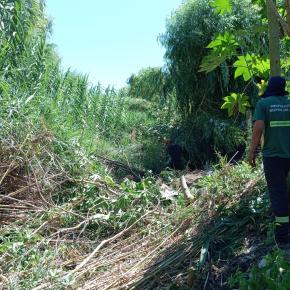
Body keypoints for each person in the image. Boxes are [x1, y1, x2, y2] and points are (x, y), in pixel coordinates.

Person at [248, 76, 290, 245]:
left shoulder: (263, 104)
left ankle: (282, 235)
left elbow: (258, 128)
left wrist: (252, 152)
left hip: (273, 156)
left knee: (278, 192)